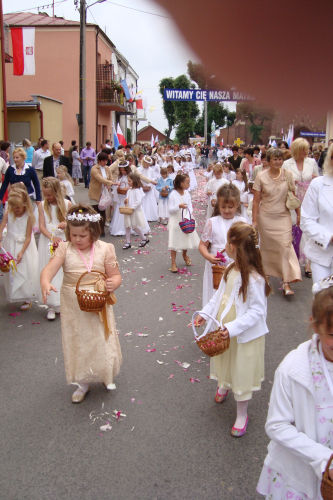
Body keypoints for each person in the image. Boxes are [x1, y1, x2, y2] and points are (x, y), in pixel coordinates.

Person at [257, 282, 333, 499]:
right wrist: (324, 458)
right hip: (300, 472)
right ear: (315, 325)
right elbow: (277, 425)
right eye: (332, 335)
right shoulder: (293, 369)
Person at [40, 204, 122, 403]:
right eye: (73, 235)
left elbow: (116, 275)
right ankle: (82, 381)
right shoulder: (64, 249)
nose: (77, 239)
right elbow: (49, 269)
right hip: (73, 303)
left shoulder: (105, 249)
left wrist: (114, 282)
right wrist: (45, 281)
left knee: (101, 338)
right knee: (78, 340)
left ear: (93, 233)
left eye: (82, 236)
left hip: (98, 302)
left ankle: (105, 374)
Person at [196, 222, 270, 437]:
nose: (226, 245)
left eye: (230, 242)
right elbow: (219, 297)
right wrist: (205, 313)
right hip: (225, 331)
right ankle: (224, 384)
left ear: (239, 248)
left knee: (242, 371)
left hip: (244, 336)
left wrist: (233, 327)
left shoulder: (255, 279)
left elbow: (257, 312)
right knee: (226, 361)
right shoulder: (229, 268)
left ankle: (241, 413)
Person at [253, 148, 301, 296]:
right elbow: (256, 201)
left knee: (285, 246)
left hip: (283, 216)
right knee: (267, 248)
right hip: (266, 217)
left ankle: (286, 282)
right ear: (268, 160)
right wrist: (254, 221)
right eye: (275, 159)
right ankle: (266, 276)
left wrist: (299, 214)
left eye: (280, 159)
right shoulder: (261, 176)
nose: (278, 162)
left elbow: (293, 196)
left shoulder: (288, 175)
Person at [199, 183, 247, 306]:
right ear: (218, 205)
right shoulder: (212, 222)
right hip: (216, 267)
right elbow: (202, 245)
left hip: (236, 265)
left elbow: (247, 245)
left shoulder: (242, 222)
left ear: (237, 205)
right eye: (223, 207)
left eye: (230, 207)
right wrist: (208, 256)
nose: (226, 210)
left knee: (234, 297)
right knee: (215, 296)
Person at [283, 137, 319, 278]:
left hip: (309, 199)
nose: (306, 152)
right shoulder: (287, 164)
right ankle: (293, 259)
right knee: (294, 228)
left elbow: (317, 178)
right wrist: (293, 182)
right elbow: (283, 181)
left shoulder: (312, 162)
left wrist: (313, 179)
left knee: (308, 230)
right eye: (304, 150)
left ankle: (308, 262)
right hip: (293, 200)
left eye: (307, 150)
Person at [0, 184, 38, 310]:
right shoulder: (9, 212)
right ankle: (15, 293)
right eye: (13, 207)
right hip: (10, 243)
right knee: (12, 271)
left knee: (25, 269)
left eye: (18, 207)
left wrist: (22, 251)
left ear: (24, 205)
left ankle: (27, 296)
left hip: (24, 246)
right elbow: (2, 227)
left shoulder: (28, 216)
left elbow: (28, 237)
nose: (16, 210)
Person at [38, 177, 71, 320]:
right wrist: (52, 237)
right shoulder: (42, 205)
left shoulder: (67, 204)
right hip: (48, 241)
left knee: (62, 273)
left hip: (63, 241)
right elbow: (41, 226)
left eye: (50, 195)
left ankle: (62, 303)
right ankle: (51, 305)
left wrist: (66, 223)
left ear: (57, 192)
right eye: (45, 194)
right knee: (50, 271)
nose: (48, 197)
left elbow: (73, 222)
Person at [301, 142, 333, 283]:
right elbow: (306, 220)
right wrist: (328, 237)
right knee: (323, 299)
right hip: (322, 255)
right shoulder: (318, 185)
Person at [167, 173, 200, 272]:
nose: (189, 184)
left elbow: (190, 206)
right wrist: (178, 206)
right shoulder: (173, 194)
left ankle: (185, 255)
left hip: (186, 218)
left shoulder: (187, 193)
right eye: (187, 182)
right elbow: (170, 209)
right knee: (174, 240)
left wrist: (187, 216)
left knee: (186, 238)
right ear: (181, 183)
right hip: (176, 220)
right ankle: (173, 262)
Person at [88, 152, 114, 237]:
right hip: (95, 193)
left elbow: (110, 177)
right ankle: (95, 230)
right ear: (99, 161)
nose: (105, 162)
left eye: (106, 161)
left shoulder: (107, 168)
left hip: (104, 193)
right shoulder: (94, 168)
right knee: (95, 212)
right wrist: (110, 182)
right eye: (103, 161)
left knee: (102, 212)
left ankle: (102, 230)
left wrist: (109, 185)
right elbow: (99, 178)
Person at [122, 172, 149, 249]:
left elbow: (138, 201)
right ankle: (128, 242)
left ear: (134, 181)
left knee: (134, 226)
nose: (128, 182)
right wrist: (126, 200)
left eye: (130, 181)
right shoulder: (129, 190)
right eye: (128, 180)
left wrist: (132, 207)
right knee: (127, 226)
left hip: (134, 211)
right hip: (128, 210)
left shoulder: (137, 190)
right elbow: (127, 198)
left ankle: (144, 238)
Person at [109, 161, 131, 236]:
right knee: (119, 211)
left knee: (126, 210)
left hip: (126, 196)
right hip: (120, 195)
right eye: (121, 170)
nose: (122, 171)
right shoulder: (120, 176)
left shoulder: (130, 176)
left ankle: (127, 227)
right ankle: (119, 227)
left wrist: (127, 188)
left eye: (124, 170)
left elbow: (132, 185)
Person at [137, 155, 159, 222]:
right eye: (147, 163)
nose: (148, 165)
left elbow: (153, 179)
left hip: (149, 188)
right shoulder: (139, 169)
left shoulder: (151, 170)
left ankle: (149, 216)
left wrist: (150, 187)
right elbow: (138, 179)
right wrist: (142, 187)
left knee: (150, 201)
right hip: (141, 187)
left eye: (149, 164)